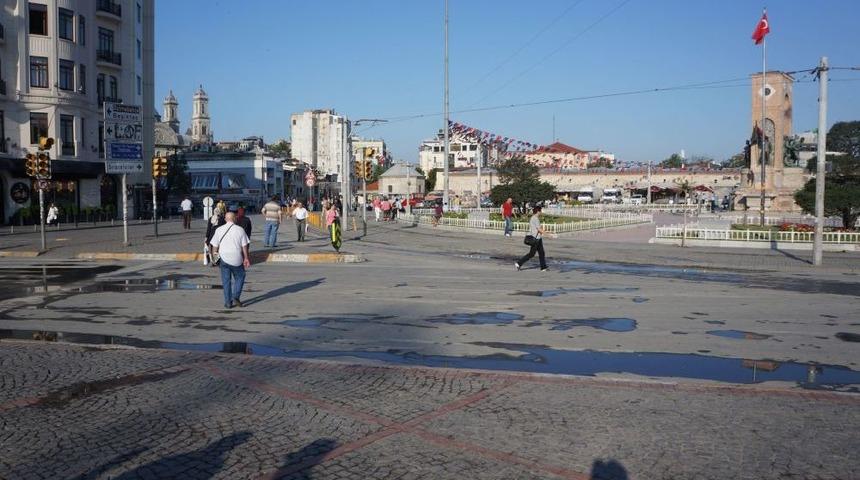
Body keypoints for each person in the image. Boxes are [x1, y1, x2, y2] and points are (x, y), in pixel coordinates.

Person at [210, 212, 251, 309]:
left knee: (226, 281)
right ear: (235, 219)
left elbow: (214, 247)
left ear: (225, 219)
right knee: (240, 276)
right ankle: (236, 296)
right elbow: (244, 246)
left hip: (223, 258)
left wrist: (215, 260)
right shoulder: (240, 230)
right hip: (236, 257)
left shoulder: (219, 230)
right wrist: (246, 258)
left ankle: (228, 303)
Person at [515, 206, 550, 272]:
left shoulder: (534, 218)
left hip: (538, 238)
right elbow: (539, 229)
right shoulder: (535, 218)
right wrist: (547, 235)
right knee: (531, 254)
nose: (541, 212)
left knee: (541, 253)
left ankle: (543, 267)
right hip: (535, 239)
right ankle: (519, 263)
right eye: (540, 211)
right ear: (538, 211)